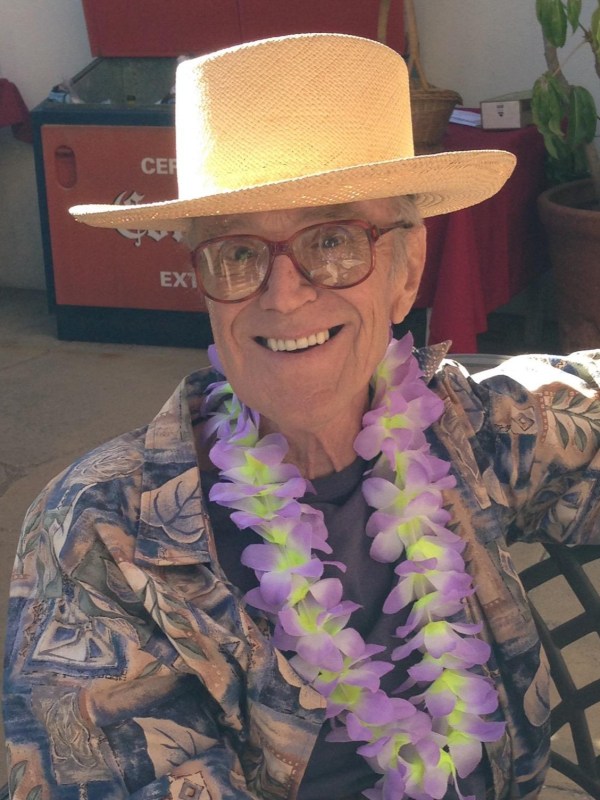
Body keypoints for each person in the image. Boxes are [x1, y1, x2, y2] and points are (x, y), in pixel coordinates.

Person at [3, 32, 600, 800]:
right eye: (237, 251)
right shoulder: (101, 535)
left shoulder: (469, 427)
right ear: (203, 282)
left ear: (406, 270)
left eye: (334, 239)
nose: (284, 295)